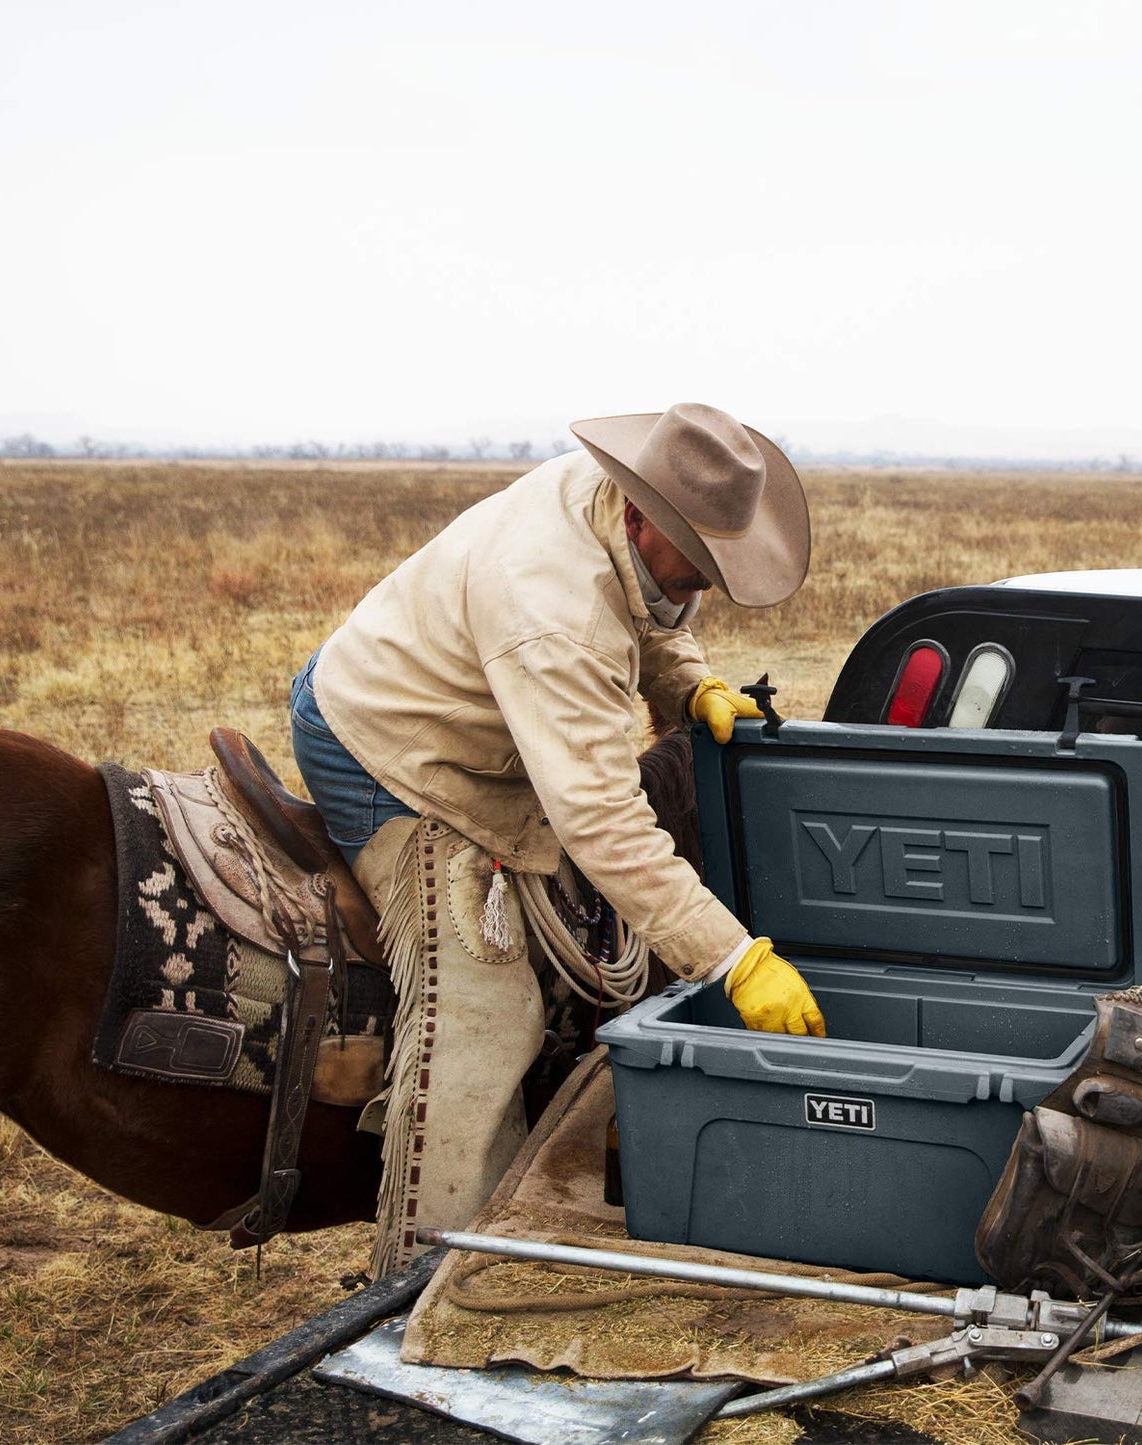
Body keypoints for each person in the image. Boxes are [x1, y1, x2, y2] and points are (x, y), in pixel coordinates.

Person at [290, 401, 826, 1269]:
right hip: (390, 741)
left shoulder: (613, 502)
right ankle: (432, 1264)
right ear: (645, 510)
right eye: (693, 565)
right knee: (483, 998)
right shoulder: (552, 606)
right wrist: (732, 960)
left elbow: (646, 611)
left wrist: (689, 682)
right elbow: (603, 819)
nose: (695, 590)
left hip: (476, 693)